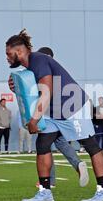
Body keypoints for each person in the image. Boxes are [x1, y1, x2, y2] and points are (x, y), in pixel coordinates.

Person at [6, 29, 103, 201]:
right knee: (42, 144)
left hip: (73, 107)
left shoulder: (38, 59)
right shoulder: (29, 66)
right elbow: (35, 90)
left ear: (19, 51)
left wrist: (34, 120)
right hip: (54, 112)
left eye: (9, 54)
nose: (7, 58)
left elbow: (47, 92)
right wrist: (16, 86)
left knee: (90, 145)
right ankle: (45, 192)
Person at [33, 46, 89, 188]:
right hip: (66, 114)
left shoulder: (43, 73)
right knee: (61, 142)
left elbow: (39, 95)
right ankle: (77, 163)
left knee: (44, 146)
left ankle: (48, 181)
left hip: (52, 116)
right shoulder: (59, 72)